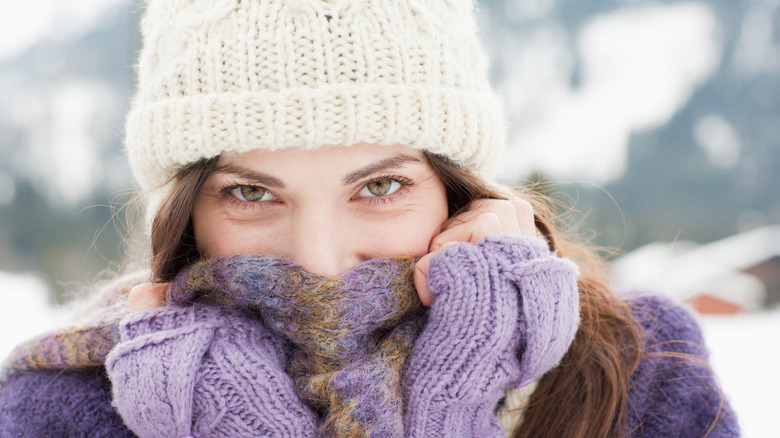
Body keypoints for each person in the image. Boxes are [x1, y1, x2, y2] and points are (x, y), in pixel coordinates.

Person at [0, 0, 739, 437]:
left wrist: (454, 405)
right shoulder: (63, 408)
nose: (319, 260)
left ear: (459, 190)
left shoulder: (635, 370)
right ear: (185, 211)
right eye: (251, 194)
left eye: (379, 186)